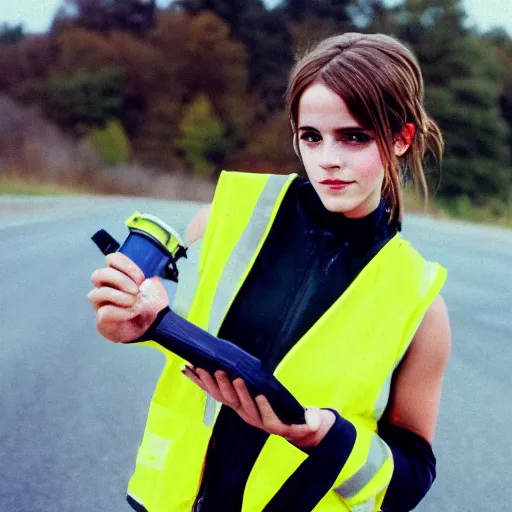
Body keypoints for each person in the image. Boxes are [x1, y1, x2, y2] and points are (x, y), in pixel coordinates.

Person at [88, 32, 451, 512]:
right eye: (311, 137)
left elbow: (411, 477)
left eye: (355, 136)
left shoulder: (419, 299)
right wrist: (130, 326)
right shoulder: (228, 215)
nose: (329, 159)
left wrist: (324, 437)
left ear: (401, 138)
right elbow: (170, 324)